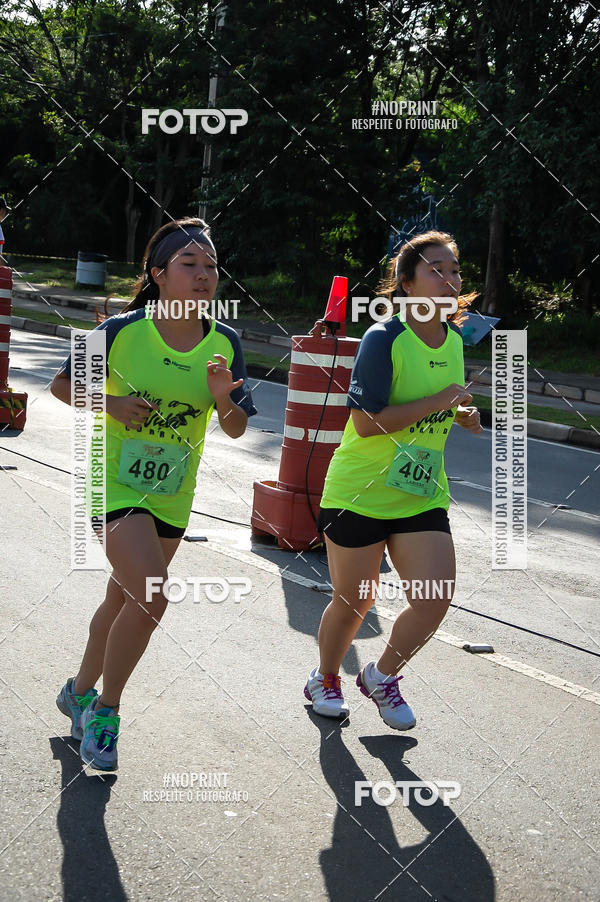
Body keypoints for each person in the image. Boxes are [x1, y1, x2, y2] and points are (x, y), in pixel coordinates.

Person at [51, 217, 256, 770]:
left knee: (123, 598)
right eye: (189, 264)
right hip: (112, 482)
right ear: (159, 274)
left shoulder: (225, 343)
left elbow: (237, 428)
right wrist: (110, 403)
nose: (203, 275)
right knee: (151, 595)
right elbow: (62, 385)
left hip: (171, 494)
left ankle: (77, 690)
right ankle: (105, 712)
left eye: (211, 265)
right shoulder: (122, 331)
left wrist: (223, 397)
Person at [304, 230, 482, 729]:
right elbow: (366, 420)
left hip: (420, 493)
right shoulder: (384, 338)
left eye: (455, 271)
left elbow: (440, 405)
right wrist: (441, 401)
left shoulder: (452, 339)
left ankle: (382, 676)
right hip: (360, 491)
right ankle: (325, 677)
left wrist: (463, 415)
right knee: (355, 600)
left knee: (433, 598)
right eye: (436, 271)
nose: (449, 280)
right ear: (406, 284)